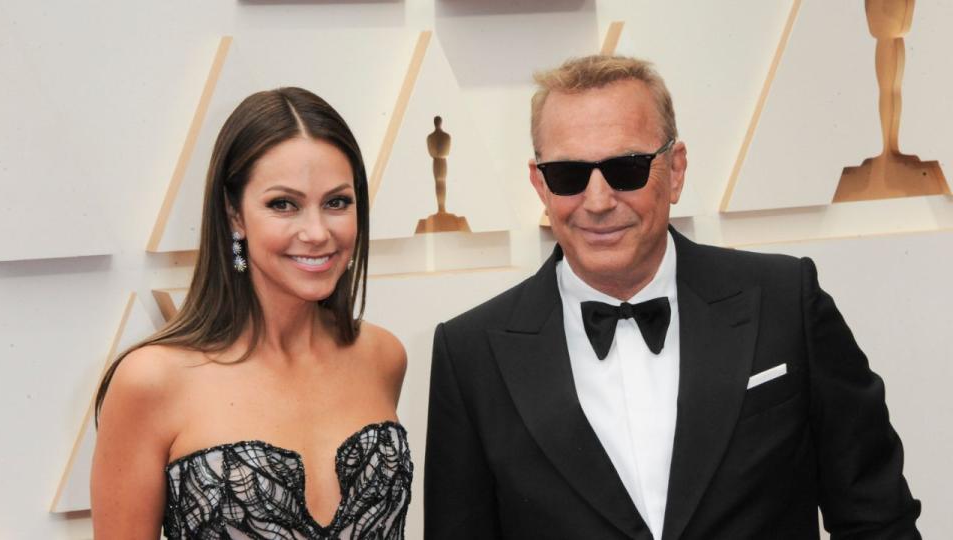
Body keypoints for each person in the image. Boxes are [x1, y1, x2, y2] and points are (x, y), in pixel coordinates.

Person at [424, 55, 920, 539]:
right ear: (540, 184)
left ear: (676, 169)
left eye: (627, 168)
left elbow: (877, 519)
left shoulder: (785, 301)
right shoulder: (470, 355)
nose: (598, 201)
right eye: (569, 175)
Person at [91, 87, 412, 539]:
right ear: (234, 214)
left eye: (337, 202)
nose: (317, 232)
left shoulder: (381, 356)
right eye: (283, 204)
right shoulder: (151, 381)